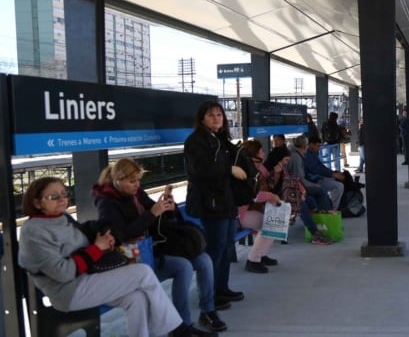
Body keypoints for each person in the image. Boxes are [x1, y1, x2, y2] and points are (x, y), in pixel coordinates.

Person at [18, 176, 186, 337]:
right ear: (37, 202)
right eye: (53, 196)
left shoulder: (62, 218)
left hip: (89, 278)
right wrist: (97, 248)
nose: (62, 199)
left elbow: (84, 233)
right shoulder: (33, 232)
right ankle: (174, 327)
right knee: (143, 272)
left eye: (64, 194)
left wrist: (105, 233)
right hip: (68, 291)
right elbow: (63, 273)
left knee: (137, 298)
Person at [92, 158, 225, 334]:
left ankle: (208, 311)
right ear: (117, 180)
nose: (136, 185)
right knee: (183, 267)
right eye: (132, 181)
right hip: (133, 258)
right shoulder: (107, 203)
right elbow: (121, 235)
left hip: (155, 247)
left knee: (204, 259)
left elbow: (155, 215)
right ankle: (180, 324)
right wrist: (153, 213)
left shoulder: (136, 193)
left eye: (138, 181)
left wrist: (169, 208)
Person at [184, 100, 246, 308]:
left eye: (219, 115)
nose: (216, 118)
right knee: (215, 249)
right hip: (210, 203)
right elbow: (201, 169)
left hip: (226, 201)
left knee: (227, 246)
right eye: (211, 115)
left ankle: (222, 288)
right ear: (202, 118)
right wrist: (229, 170)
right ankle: (210, 296)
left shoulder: (220, 139)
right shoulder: (195, 141)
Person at [265, 146, 333, 245]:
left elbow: (291, 184)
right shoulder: (275, 170)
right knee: (302, 204)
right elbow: (277, 188)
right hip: (281, 199)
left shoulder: (282, 168)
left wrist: (301, 192)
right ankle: (315, 233)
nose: (287, 162)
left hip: (291, 195)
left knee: (313, 198)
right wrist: (299, 194)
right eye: (286, 160)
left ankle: (323, 220)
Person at [237, 140, 281, 274]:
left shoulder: (259, 167)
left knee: (273, 222)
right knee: (269, 224)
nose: (264, 152)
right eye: (261, 151)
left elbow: (269, 183)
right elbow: (253, 193)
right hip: (242, 213)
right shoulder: (244, 171)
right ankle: (253, 260)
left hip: (254, 209)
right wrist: (270, 197)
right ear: (254, 154)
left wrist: (277, 173)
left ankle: (261, 254)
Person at [286, 135, 334, 211]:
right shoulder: (296, 158)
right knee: (321, 190)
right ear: (304, 146)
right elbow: (299, 178)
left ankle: (326, 211)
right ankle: (326, 213)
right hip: (296, 186)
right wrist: (314, 185)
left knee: (320, 187)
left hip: (298, 183)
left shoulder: (296, 154)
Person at [304, 136, 345, 210]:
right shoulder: (307, 155)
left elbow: (320, 166)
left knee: (336, 181)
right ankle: (332, 209)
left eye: (319, 146)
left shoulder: (313, 153)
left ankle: (331, 206)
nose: (319, 148)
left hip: (316, 178)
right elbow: (315, 169)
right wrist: (332, 174)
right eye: (317, 146)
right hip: (312, 180)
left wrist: (333, 173)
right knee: (339, 186)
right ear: (310, 144)